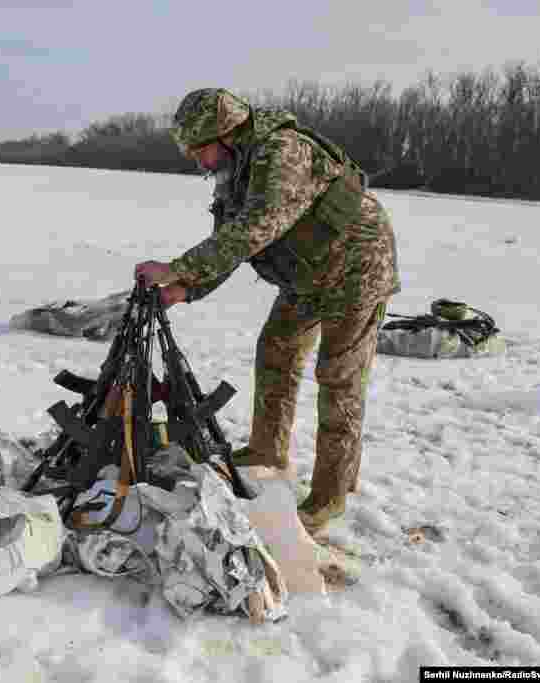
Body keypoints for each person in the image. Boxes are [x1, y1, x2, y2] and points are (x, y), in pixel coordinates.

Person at [134, 88, 400, 536]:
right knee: (276, 349)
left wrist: (177, 268)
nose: (198, 161)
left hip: (357, 269)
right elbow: (232, 241)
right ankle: (266, 451)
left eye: (200, 149)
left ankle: (328, 498)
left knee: (339, 379)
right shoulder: (235, 168)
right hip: (306, 275)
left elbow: (257, 228)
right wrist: (185, 289)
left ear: (226, 133)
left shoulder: (283, 152)